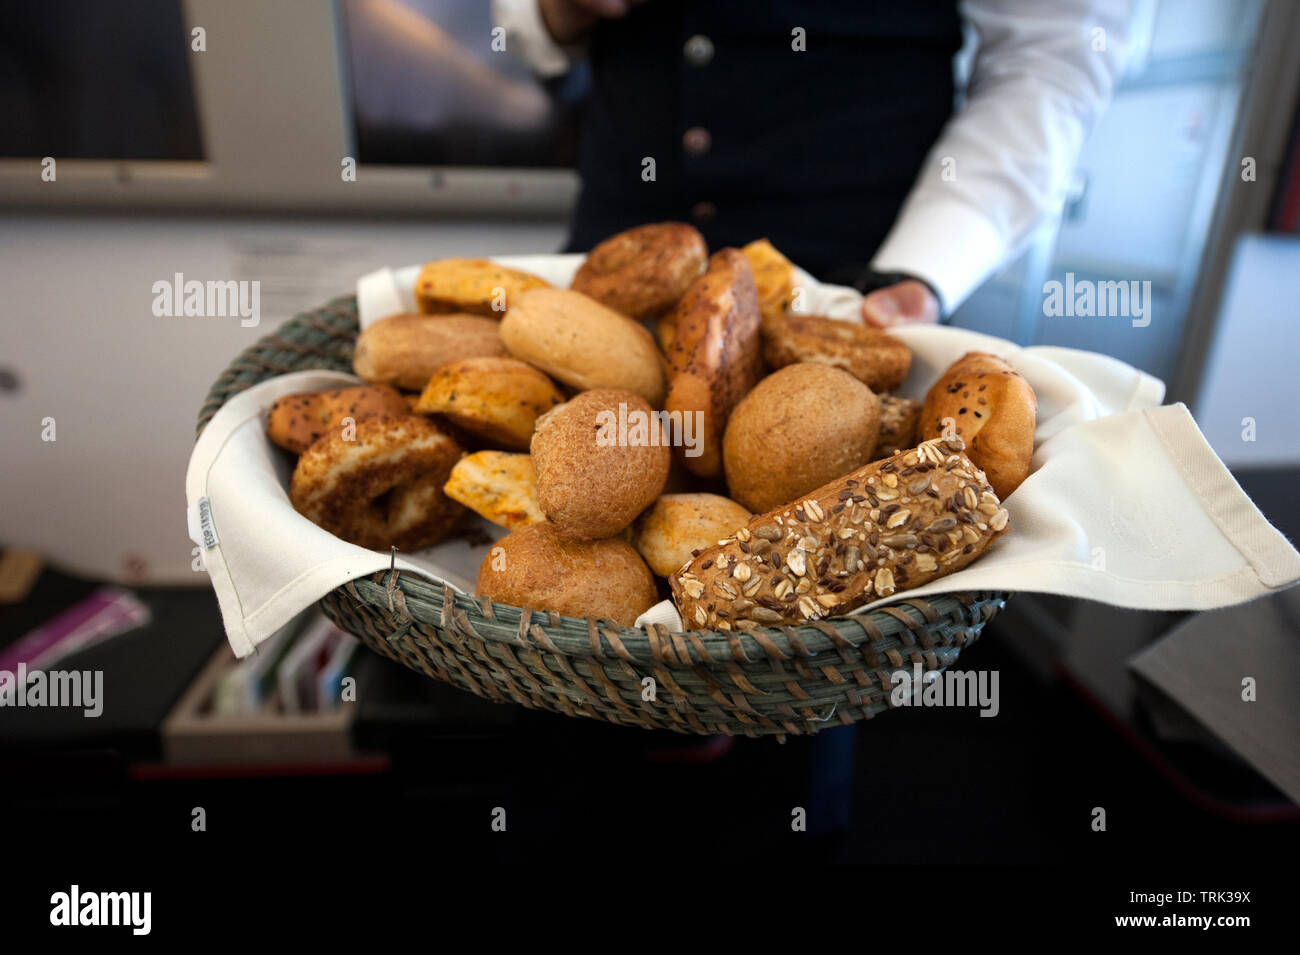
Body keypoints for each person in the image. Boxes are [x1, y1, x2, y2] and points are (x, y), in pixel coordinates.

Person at [494, 0, 1133, 328]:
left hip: (857, 281)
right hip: (608, 262)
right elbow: (521, 25)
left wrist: (923, 271)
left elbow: (1048, 60)